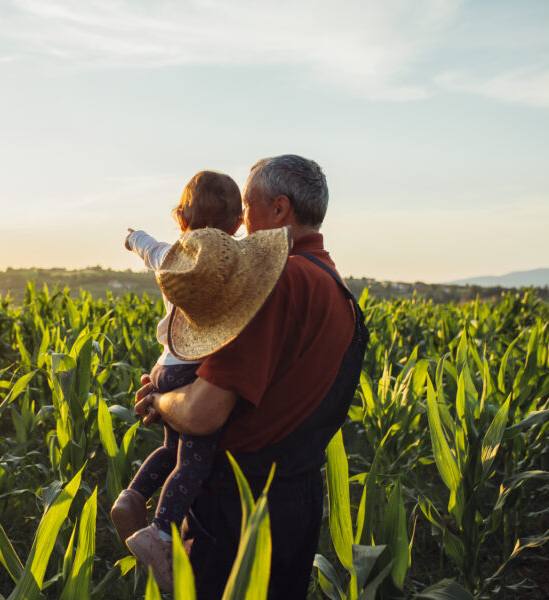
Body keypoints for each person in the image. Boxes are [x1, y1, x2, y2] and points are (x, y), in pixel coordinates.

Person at [133, 154, 369, 599]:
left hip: (239, 506)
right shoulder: (334, 285)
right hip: (295, 500)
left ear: (279, 210)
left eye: (248, 205)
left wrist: (160, 402)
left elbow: (202, 413)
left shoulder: (276, 282)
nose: (240, 219)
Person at [111, 171, 247, 591]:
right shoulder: (231, 266)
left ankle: (131, 497)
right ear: (239, 224)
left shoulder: (170, 256)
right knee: (194, 460)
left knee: (170, 452)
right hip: (195, 367)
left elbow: (147, 247)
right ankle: (160, 531)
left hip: (165, 366)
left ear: (182, 219)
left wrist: (134, 238)